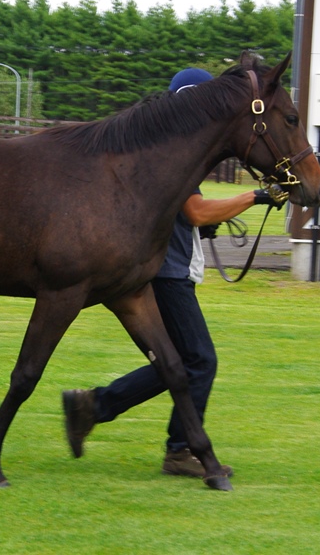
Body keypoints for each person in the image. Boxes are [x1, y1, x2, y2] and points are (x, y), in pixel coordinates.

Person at [62, 67, 283, 479]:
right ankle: (176, 448)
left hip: (170, 267)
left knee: (178, 362)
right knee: (198, 359)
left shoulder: (175, 152)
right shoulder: (172, 152)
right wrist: (257, 195)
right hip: (165, 272)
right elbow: (197, 210)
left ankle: (94, 407)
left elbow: (192, 215)